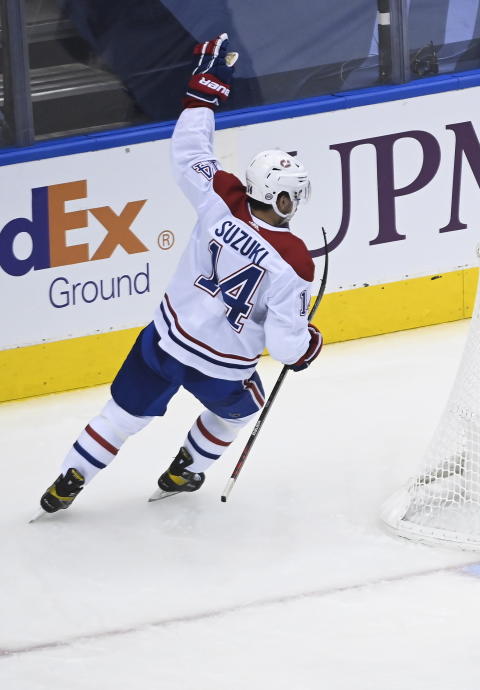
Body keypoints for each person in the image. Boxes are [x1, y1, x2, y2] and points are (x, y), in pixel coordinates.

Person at [37, 33, 322, 515]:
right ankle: (184, 468)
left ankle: (72, 476)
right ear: (279, 198)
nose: (297, 202)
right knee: (240, 410)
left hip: (166, 339)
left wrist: (204, 92)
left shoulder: (222, 197)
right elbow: (286, 343)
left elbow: (189, 151)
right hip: (222, 366)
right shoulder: (293, 260)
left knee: (121, 415)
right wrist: (308, 347)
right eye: (293, 194)